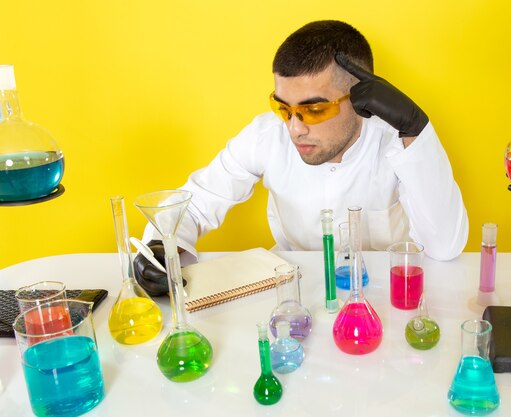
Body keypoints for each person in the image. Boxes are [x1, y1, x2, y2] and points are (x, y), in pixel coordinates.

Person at [135, 20, 469, 296]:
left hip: (382, 298)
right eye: (283, 107)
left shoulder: (396, 141)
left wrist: (416, 129)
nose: (294, 129)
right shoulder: (266, 136)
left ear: (359, 99)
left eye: (313, 109)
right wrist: (160, 248)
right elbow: (194, 204)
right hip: (291, 292)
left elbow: (445, 246)